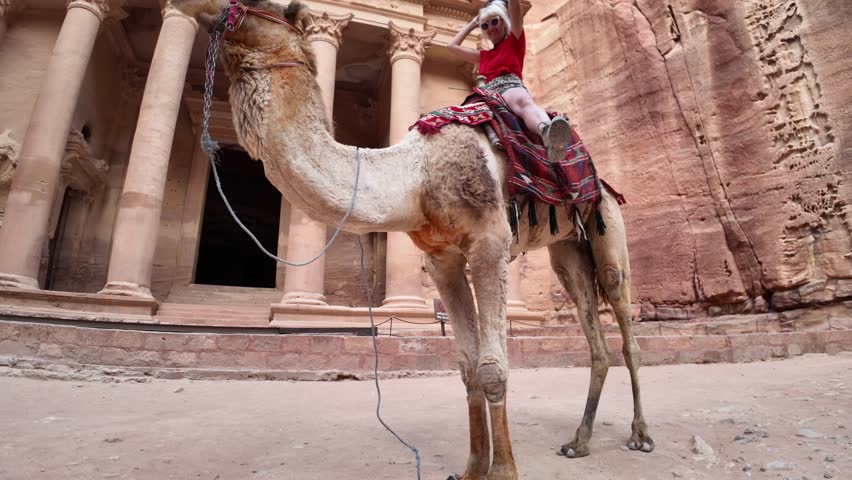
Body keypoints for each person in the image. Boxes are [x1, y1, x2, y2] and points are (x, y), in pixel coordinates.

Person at [447, 0, 570, 158]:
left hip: (510, 87)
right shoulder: (485, 56)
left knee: (522, 101)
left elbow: (515, 7)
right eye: (485, 26)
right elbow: (451, 47)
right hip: (487, 94)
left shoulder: (515, 40)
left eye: (494, 22)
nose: (490, 28)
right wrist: (472, 24)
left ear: (504, 21)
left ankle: (547, 132)